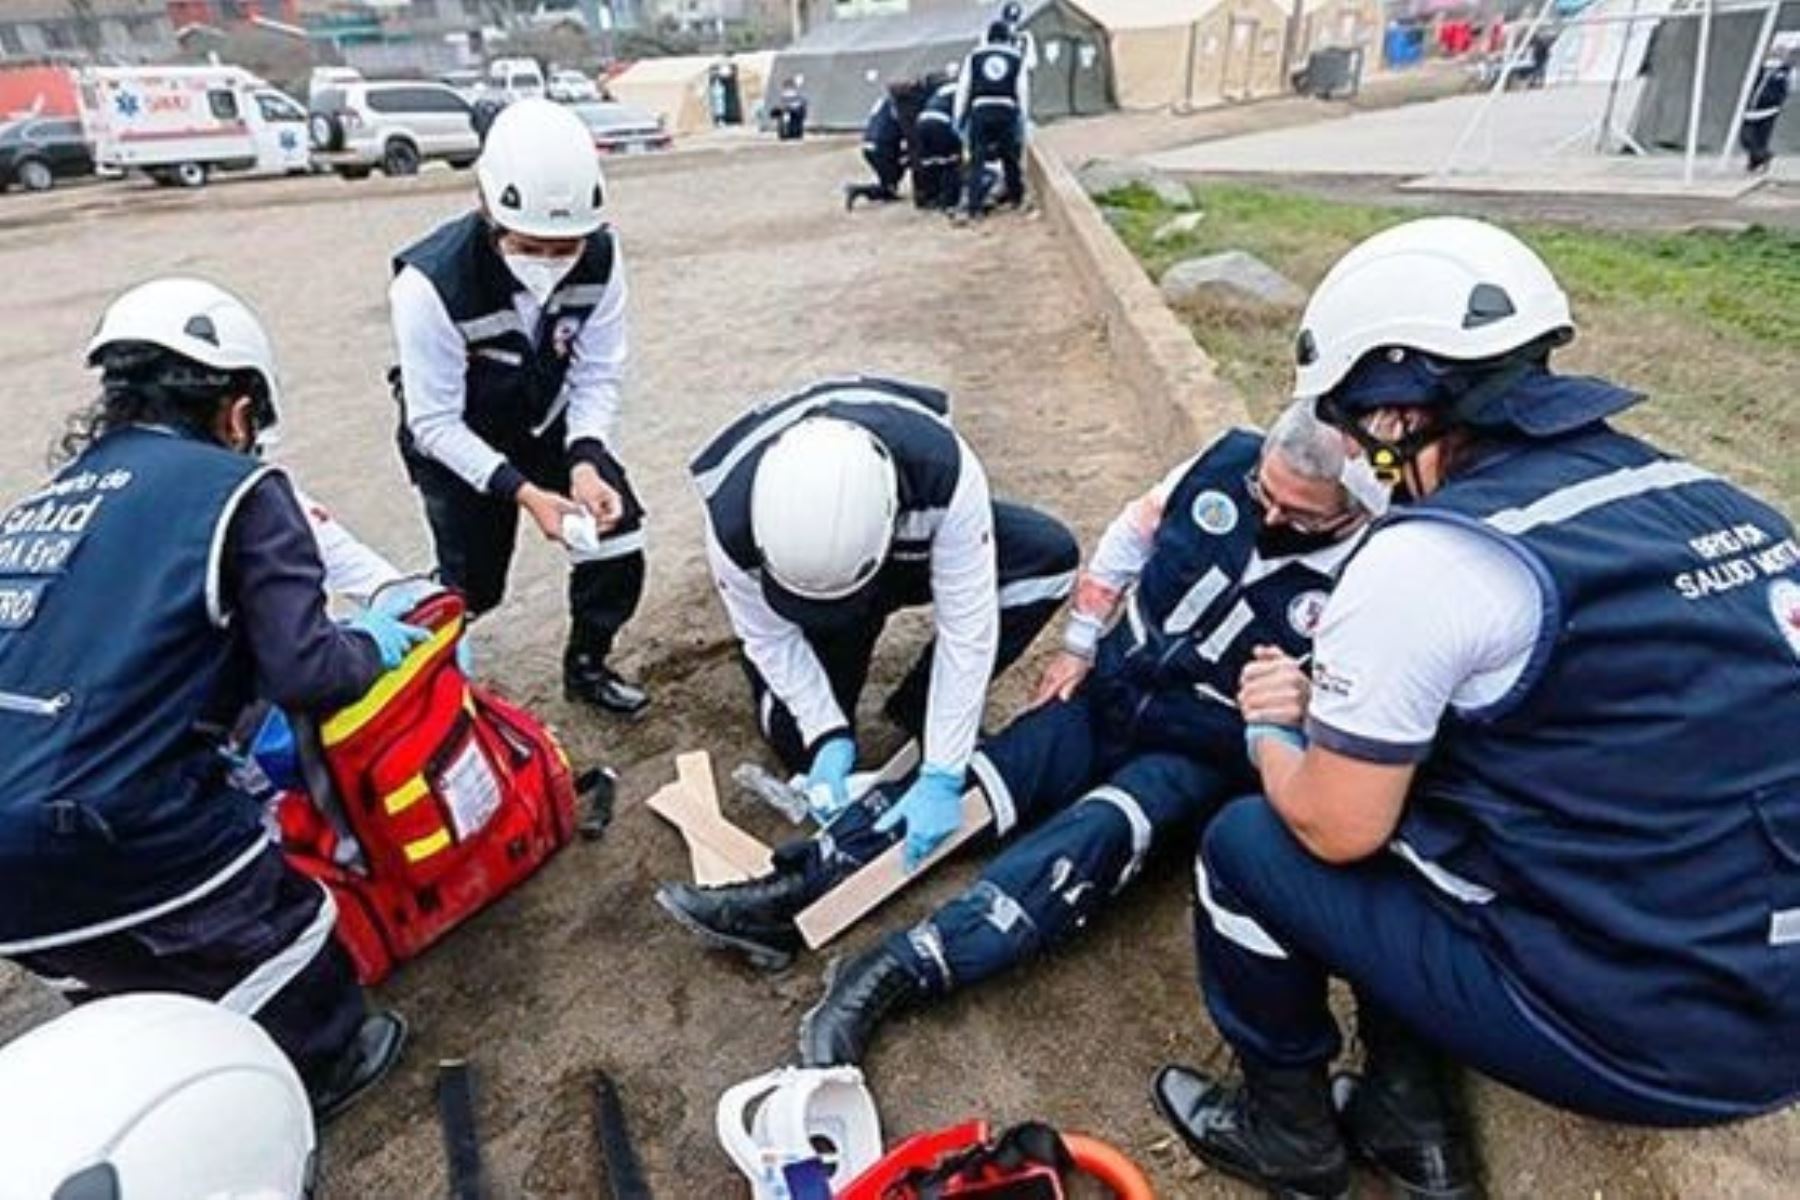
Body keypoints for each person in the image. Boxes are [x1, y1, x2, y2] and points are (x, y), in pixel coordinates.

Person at [1155, 218, 1800, 1200]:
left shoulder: (1431, 557)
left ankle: (1285, 1129)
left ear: (1398, 408)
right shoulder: (1721, 503)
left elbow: (1334, 826)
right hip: (1772, 983)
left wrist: (1271, 730)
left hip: (1658, 1038)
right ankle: (1411, 1129)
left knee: (1252, 841)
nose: (1349, 448)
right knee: (1432, 800)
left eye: (1347, 419)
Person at [660, 403, 1371, 1068]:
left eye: (1299, 516)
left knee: (1089, 840)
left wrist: (1305, 707)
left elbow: (1368, 721)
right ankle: (789, 893)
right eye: (1264, 494)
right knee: (991, 774)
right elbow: (1131, 536)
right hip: (1114, 691)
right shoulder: (1225, 463)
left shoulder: (1377, 571)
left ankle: (893, 973)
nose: (1271, 516)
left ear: (1359, 503)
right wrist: (1080, 644)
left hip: (1200, 747)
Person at [0, 278, 412, 1122]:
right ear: (236, 408)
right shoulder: (240, 492)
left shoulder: (39, 508)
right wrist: (372, 640)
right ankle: (329, 1067)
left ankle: (166, 1071)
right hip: (115, 822)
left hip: (11, 885)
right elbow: (307, 671)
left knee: (123, 982)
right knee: (296, 935)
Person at [671, 374, 1077, 874]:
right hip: (817, 576)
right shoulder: (733, 524)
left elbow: (966, 625)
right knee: (798, 746)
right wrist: (825, 734)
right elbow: (768, 635)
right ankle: (822, 683)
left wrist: (945, 771)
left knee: (1048, 559)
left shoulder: (944, 475)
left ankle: (919, 706)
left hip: (906, 540)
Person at [389, 97, 649, 717]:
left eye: (567, 248)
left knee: (615, 536)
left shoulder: (604, 259)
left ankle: (587, 662)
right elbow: (432, 422)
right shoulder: (429, 284)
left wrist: (585, 458)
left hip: (549, 416)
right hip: (458, 437)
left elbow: (597, 371)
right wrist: (524, 494)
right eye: (534, 246)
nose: (552, 264)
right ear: (488, 209)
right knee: (475, 583)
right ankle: (422, 674)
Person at [955, 21, 1030, 221]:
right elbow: (1022, 90)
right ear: (1007, 37)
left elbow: (964, 88)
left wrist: (959, 116)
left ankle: (974, 206)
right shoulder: (1016, 56)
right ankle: (1016, 198)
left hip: (981, 109)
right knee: (1009, 156)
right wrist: (1023, 116)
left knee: (977, 159)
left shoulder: (975, 56)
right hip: (1006, 109)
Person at [845, 84, 910, 211]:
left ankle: (886, 186)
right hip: (881, 147)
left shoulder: (882, 102)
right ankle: (857, 190)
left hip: (870, 146)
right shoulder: (896, 105)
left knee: (889, 179)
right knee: (904, 163)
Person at [912, 75, 964, 212]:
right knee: (950, 162)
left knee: (930, 161)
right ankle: (949, 201)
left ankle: (928, 197)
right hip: (941, 122)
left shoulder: (942, 90)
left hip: (922, 121)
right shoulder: (962, 88)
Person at [1740, 48, 1795, 174]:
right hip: (1753, 108)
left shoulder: (1784, 72)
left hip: (1769, 109)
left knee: (1760, 137)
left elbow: (1789, 88)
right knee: (1747, 138)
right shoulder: (1761, 69)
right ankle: (1761, 156)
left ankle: (1758, 160)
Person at [772, 75, 810, 142]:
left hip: (795, 133)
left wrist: (791, 109)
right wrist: (779, 109)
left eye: (789, 87)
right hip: (784, 134)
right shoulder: (781, 100)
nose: (788, 90)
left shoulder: (800, 99)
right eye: (786, 88)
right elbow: (773, 114)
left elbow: (802, 114)